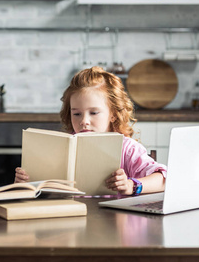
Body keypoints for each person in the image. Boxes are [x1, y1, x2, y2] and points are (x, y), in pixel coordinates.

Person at [15, 66, 166, 195]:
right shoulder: (63, 147)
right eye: (76, 114)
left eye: (93, 113)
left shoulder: (126, 148)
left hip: (113, 223)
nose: (84, 121)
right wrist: (26, 183)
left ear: (113, 114)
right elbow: (44, 190)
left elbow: (164, 179)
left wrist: (131, 185)